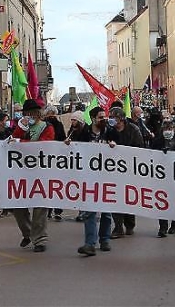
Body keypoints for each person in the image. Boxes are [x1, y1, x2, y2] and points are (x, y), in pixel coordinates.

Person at [11, 99, 55, 252]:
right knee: (17, 206)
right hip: (22, 171)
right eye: (26, 113)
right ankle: (28, 232)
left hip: (41, 171)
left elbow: (43, 146)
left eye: (32, 113)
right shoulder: (22, 126)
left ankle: (40, 239)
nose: (29, 116)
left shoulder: (47, 127)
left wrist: (20, 142)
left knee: (40, 206)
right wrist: (20, 130)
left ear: (38, 113)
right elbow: (12, 142)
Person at [70, 106, 113, 256]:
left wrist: (114, 146)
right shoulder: (83, 133)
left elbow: (121, 148)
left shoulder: (110, 132)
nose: (104, 120)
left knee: (107, 211)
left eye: (104, 117)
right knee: (89, 211)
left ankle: (105, 239)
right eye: (101, 117)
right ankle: (90, 244)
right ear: (93, 119)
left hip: (107, 177)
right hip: (88, 177)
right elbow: (75, 150)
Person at [107, 106, 144, 238]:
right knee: (115, 197)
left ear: (121, 118)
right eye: (110, 117)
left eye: (113, 117)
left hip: (130, 169)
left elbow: (140, 148)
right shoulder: (110, 130)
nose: (111, 120)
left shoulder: (133, 129)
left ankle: (129, 224)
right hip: (114, 170)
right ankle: (118, 227)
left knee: (128, 197)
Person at [151, 120, 175, 237]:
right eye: (165, 129)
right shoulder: (157, 142)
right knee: (161, 201)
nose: (168, 132)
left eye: (170, 129)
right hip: (161, 177)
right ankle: (163, 227)